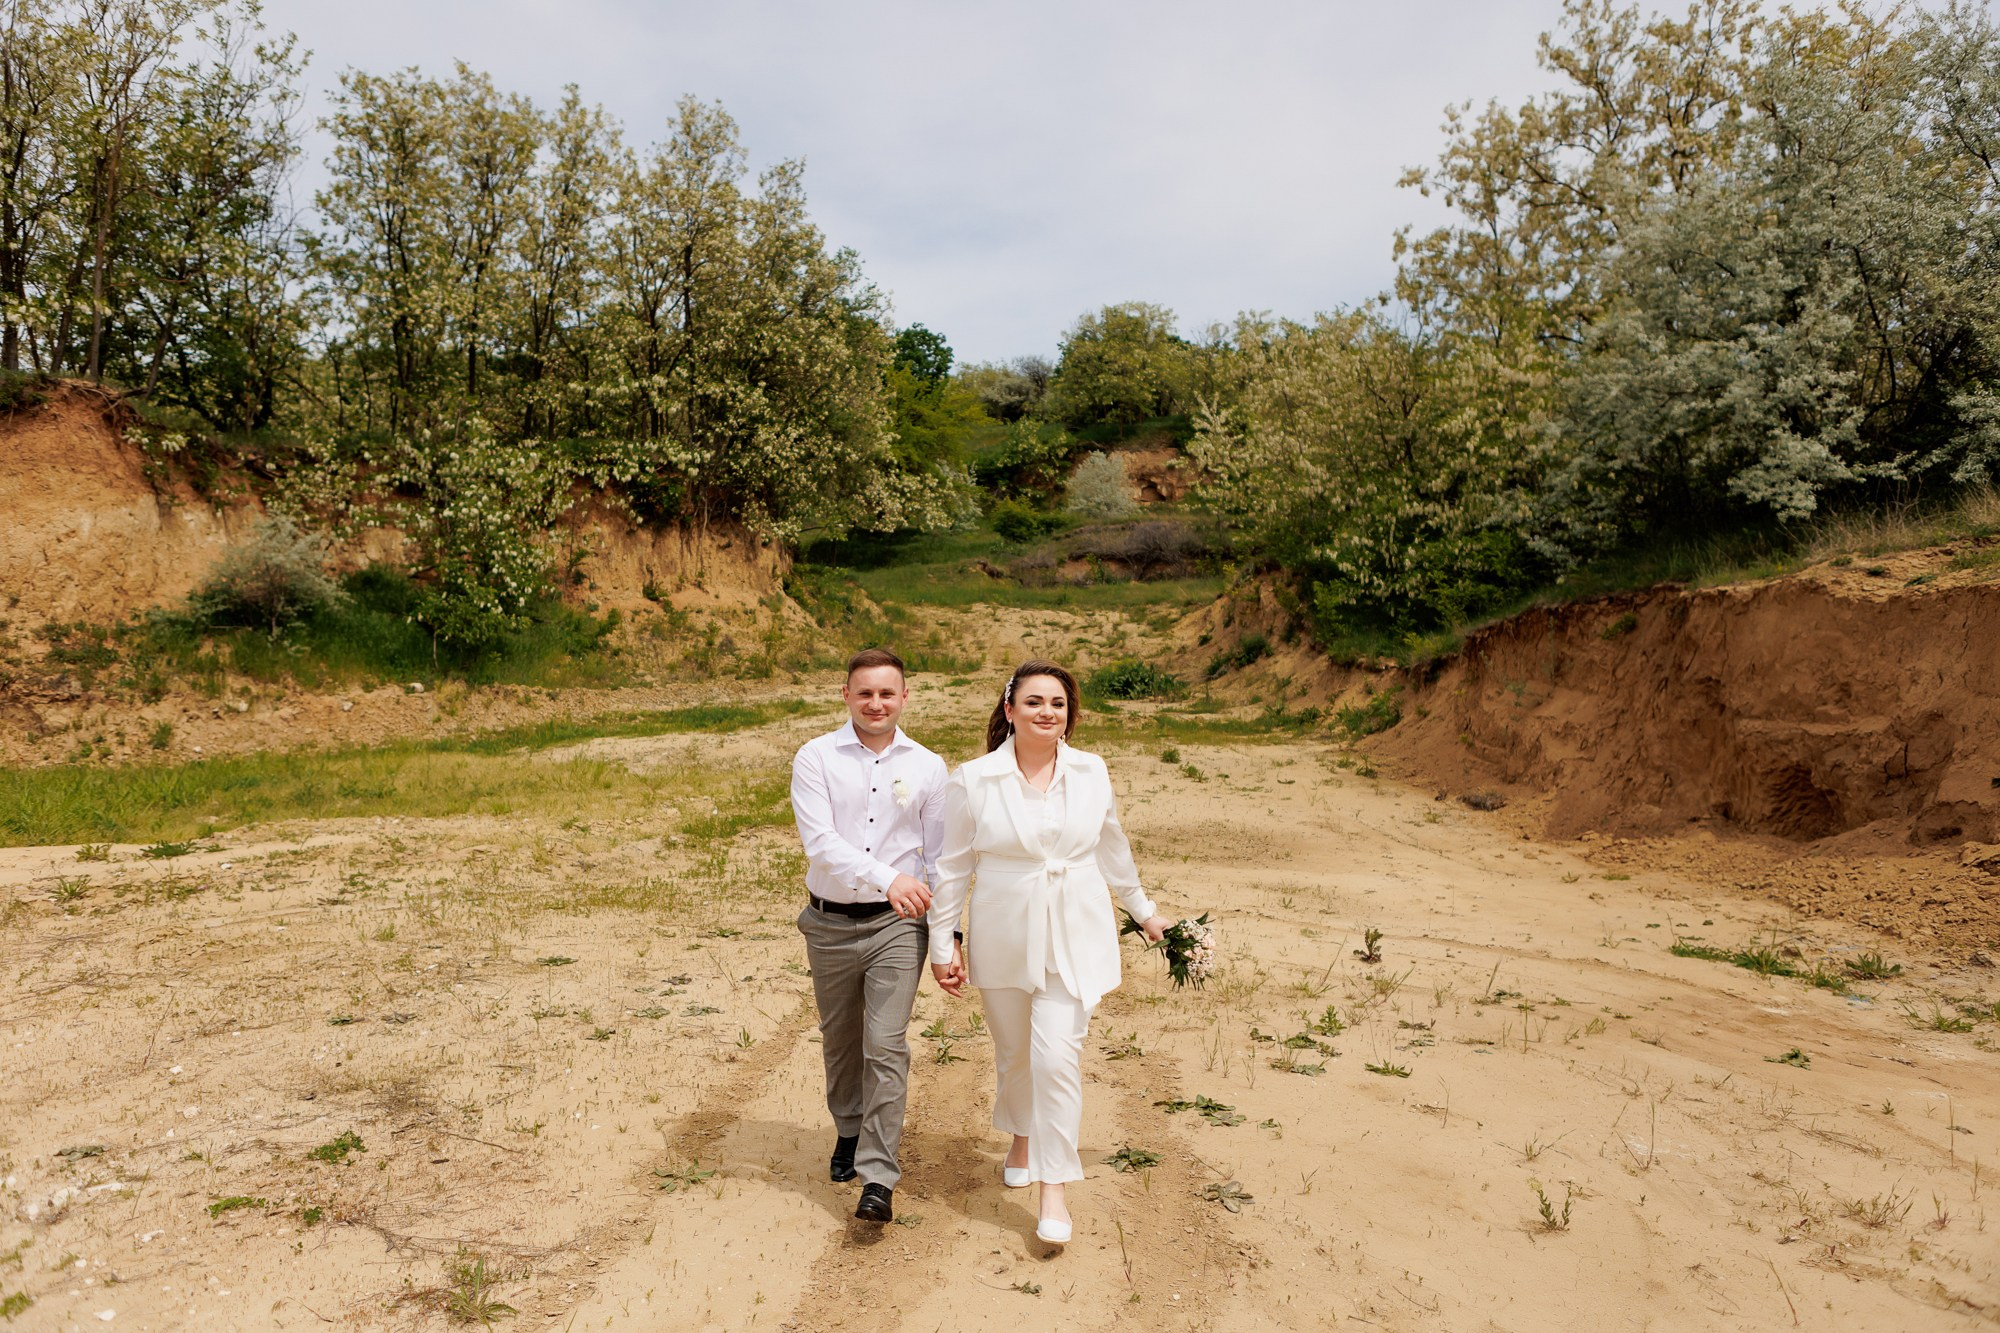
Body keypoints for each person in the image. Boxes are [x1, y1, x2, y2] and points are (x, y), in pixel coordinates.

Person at [927, 659, 1171, 1246]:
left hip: (1075, 930)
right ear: (1009, 709)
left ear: (1070, 714)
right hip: (1005, 928)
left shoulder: (1091, 771)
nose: (1047, 713)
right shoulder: (973, 778)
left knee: (1056, 1057)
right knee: (1013, 1052)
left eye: (1058, 704)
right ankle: (1021, 1136)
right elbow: (954, 867)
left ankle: (1053, 1188)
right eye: (1034, 702)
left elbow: (1112, 845)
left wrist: (1144, 910)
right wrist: (942, 941)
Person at [790, 647, 947, 1224]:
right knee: (841, 1040)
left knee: (885, 1043)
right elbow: (821, 843)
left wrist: (947, 935)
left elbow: (938, 856)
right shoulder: (815, 757)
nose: (876, 703)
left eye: (887, 693)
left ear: (905, 697)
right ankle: (849, 1131)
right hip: (829, 923)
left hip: (897, 926)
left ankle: (879, 1175)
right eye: (865, 692)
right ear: (847, 695)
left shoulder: (929, 766)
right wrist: (888, 876)